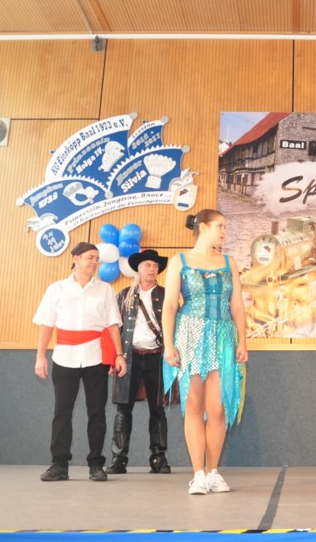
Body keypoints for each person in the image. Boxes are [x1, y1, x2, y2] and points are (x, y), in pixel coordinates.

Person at [163, 209, 248, 495]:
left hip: (223, 336)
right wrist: (168, 344)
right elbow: (170, 305)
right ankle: (198, 474)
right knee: (193, 405)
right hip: (190, 334)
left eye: (225, 226)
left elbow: (237, 305)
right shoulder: (180, 261)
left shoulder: (229, 262)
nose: (224, 231)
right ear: (203, 227)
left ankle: (213, 472)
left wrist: (243, 341)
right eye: (220, 226)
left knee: (218, 408)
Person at [34, 242, 127, 482]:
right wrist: (40, 356)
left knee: (97, 412)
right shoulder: (56, 289)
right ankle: (59, 464)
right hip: (64, 357)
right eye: (90, 257)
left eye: (97, 258)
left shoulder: (105, 290)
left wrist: (119, 355)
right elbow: (46, 325)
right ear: (75, 258)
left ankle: (96, 464)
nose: (95, 262)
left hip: (96, 358)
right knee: (62, 412)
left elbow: (113, 325)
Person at [106, 249, 171, 475]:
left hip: (158, 358)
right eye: (147, 265)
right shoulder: (124, 295)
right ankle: (118, 459)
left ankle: (159, 459)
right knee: (123, 409)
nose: (151, 269)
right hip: (129, 358)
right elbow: (114, 328)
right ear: (139, 269)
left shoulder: (167, 295)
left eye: (155, 265)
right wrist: (114, 357)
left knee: (158, 409)